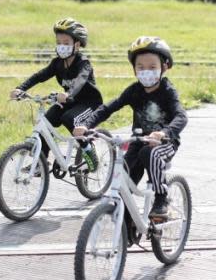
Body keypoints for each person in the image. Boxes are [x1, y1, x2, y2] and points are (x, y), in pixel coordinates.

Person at [74, 37, 187, 225]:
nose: (146, 72)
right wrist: (87, 125)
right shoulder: (134, 90)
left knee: (149, 154)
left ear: (164, 67)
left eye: (152, 67)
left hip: (165, 143)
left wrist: (164, 133)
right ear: (134, 69)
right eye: (140, 67)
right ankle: (127, 223)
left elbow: (181, 116)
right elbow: (109, 107)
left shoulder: (167, 91)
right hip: (139, 141)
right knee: (124, 174)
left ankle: (161, 199)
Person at [11, 18, 103, 166]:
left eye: (66, 43)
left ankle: (88, 149)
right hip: (69, 101)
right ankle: (41, 164)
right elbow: (39, 76)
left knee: (69, 118)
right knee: (46, 121)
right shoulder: (57, 63)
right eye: (59, 43)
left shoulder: (83, 63)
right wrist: (21, 88)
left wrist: (68, 94)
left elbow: (80, 80)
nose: (61, 46)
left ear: (77, 45)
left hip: (89, 103)